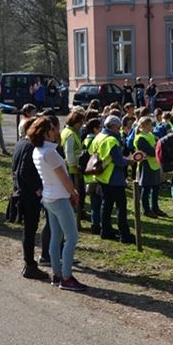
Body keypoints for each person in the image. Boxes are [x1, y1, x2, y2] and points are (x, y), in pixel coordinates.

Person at [29, 116, 87, 291]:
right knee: (72, 237)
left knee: (56, 237)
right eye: (54, 129)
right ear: (46, 132)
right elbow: (64, 178)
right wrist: (74, 193)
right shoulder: (50, 153)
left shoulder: (38, 150)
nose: (57, 132)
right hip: (59, 197)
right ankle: (67, 277)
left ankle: (57, 274)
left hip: (48, 197)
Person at [11, 117, 50, 281]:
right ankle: (30, 265)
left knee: (28, 230)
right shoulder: (30, 146)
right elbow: (24, 172)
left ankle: (29, 264)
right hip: (28, 196)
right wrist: (37, 189)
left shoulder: (20, 143)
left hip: (20, 192)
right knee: (29, 230)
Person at [93, 115, 138, 244]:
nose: (119, 130)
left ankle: (105, 231)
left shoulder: (99, 137)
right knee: (120, 207)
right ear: (113, 126)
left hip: (102, 177)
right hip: (114, 178)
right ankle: (124, 234)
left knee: (106, 205)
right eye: (118, 127)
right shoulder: (111, 140)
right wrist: (130, 161)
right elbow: (118, 161)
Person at [133, 117, 163, 218]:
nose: (152, 126)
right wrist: (157, 149)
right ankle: (146, 209)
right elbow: (151, 151)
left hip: (154, 164)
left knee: (155, 187)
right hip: (146, 165)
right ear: (145, 125)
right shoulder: (140, 138)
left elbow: (158, 145)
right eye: (150, 124)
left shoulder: (150, 134)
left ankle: (155, 208)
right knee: (146, 188)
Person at [82, 118, 103, 235]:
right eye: (99, 127)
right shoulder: (95, 140)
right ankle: (96, 225)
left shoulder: (86, 139)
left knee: (94, 202)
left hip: (87, 175)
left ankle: (95, 224)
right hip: (94, 176)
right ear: (95, 129)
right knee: (97, 203)